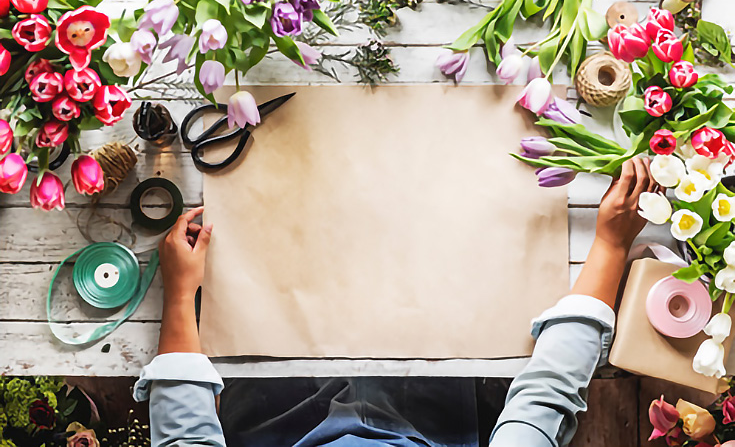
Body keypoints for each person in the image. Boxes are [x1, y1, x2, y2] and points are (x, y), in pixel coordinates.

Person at [133, 157, 660, 447]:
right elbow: (545, 397)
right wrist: (610, 246)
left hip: (278, 408)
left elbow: (183, 437)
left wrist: (180, 294)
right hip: (438, 405)